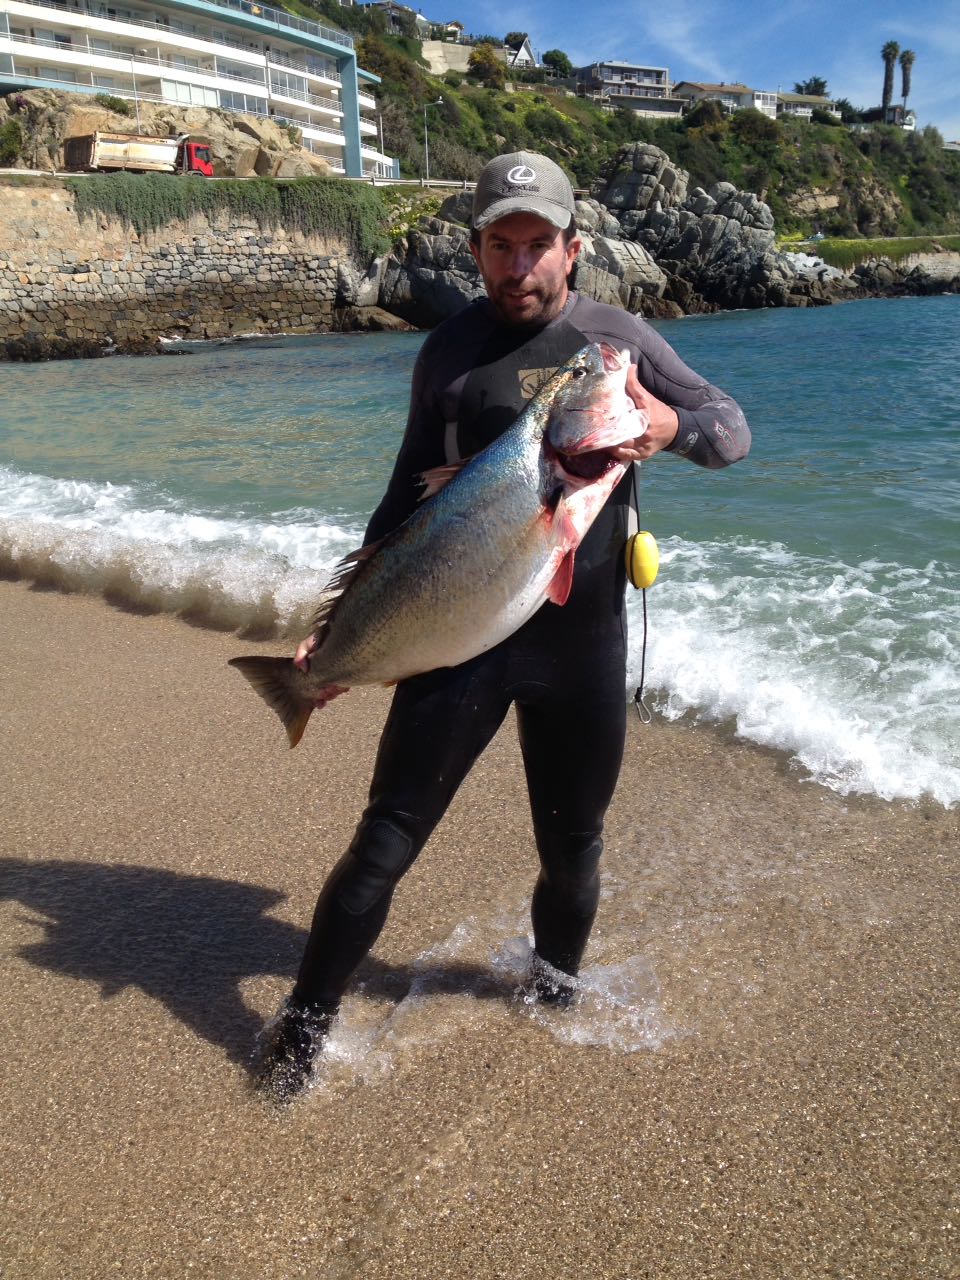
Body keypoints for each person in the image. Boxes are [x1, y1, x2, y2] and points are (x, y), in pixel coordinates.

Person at [256, 151, 751, 1100]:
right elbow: (402, 498)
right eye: (499, 245)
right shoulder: (446, 352)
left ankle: (553, 1003)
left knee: (573, 849)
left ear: (572, 248)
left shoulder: (617, 339)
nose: (518, 265)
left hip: (581, 643)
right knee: (384, 841)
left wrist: (663, 430)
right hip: (460, 638)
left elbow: (729, 430)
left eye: (537, 245)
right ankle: (300, 1036)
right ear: (477, 249)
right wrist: (343, 629)